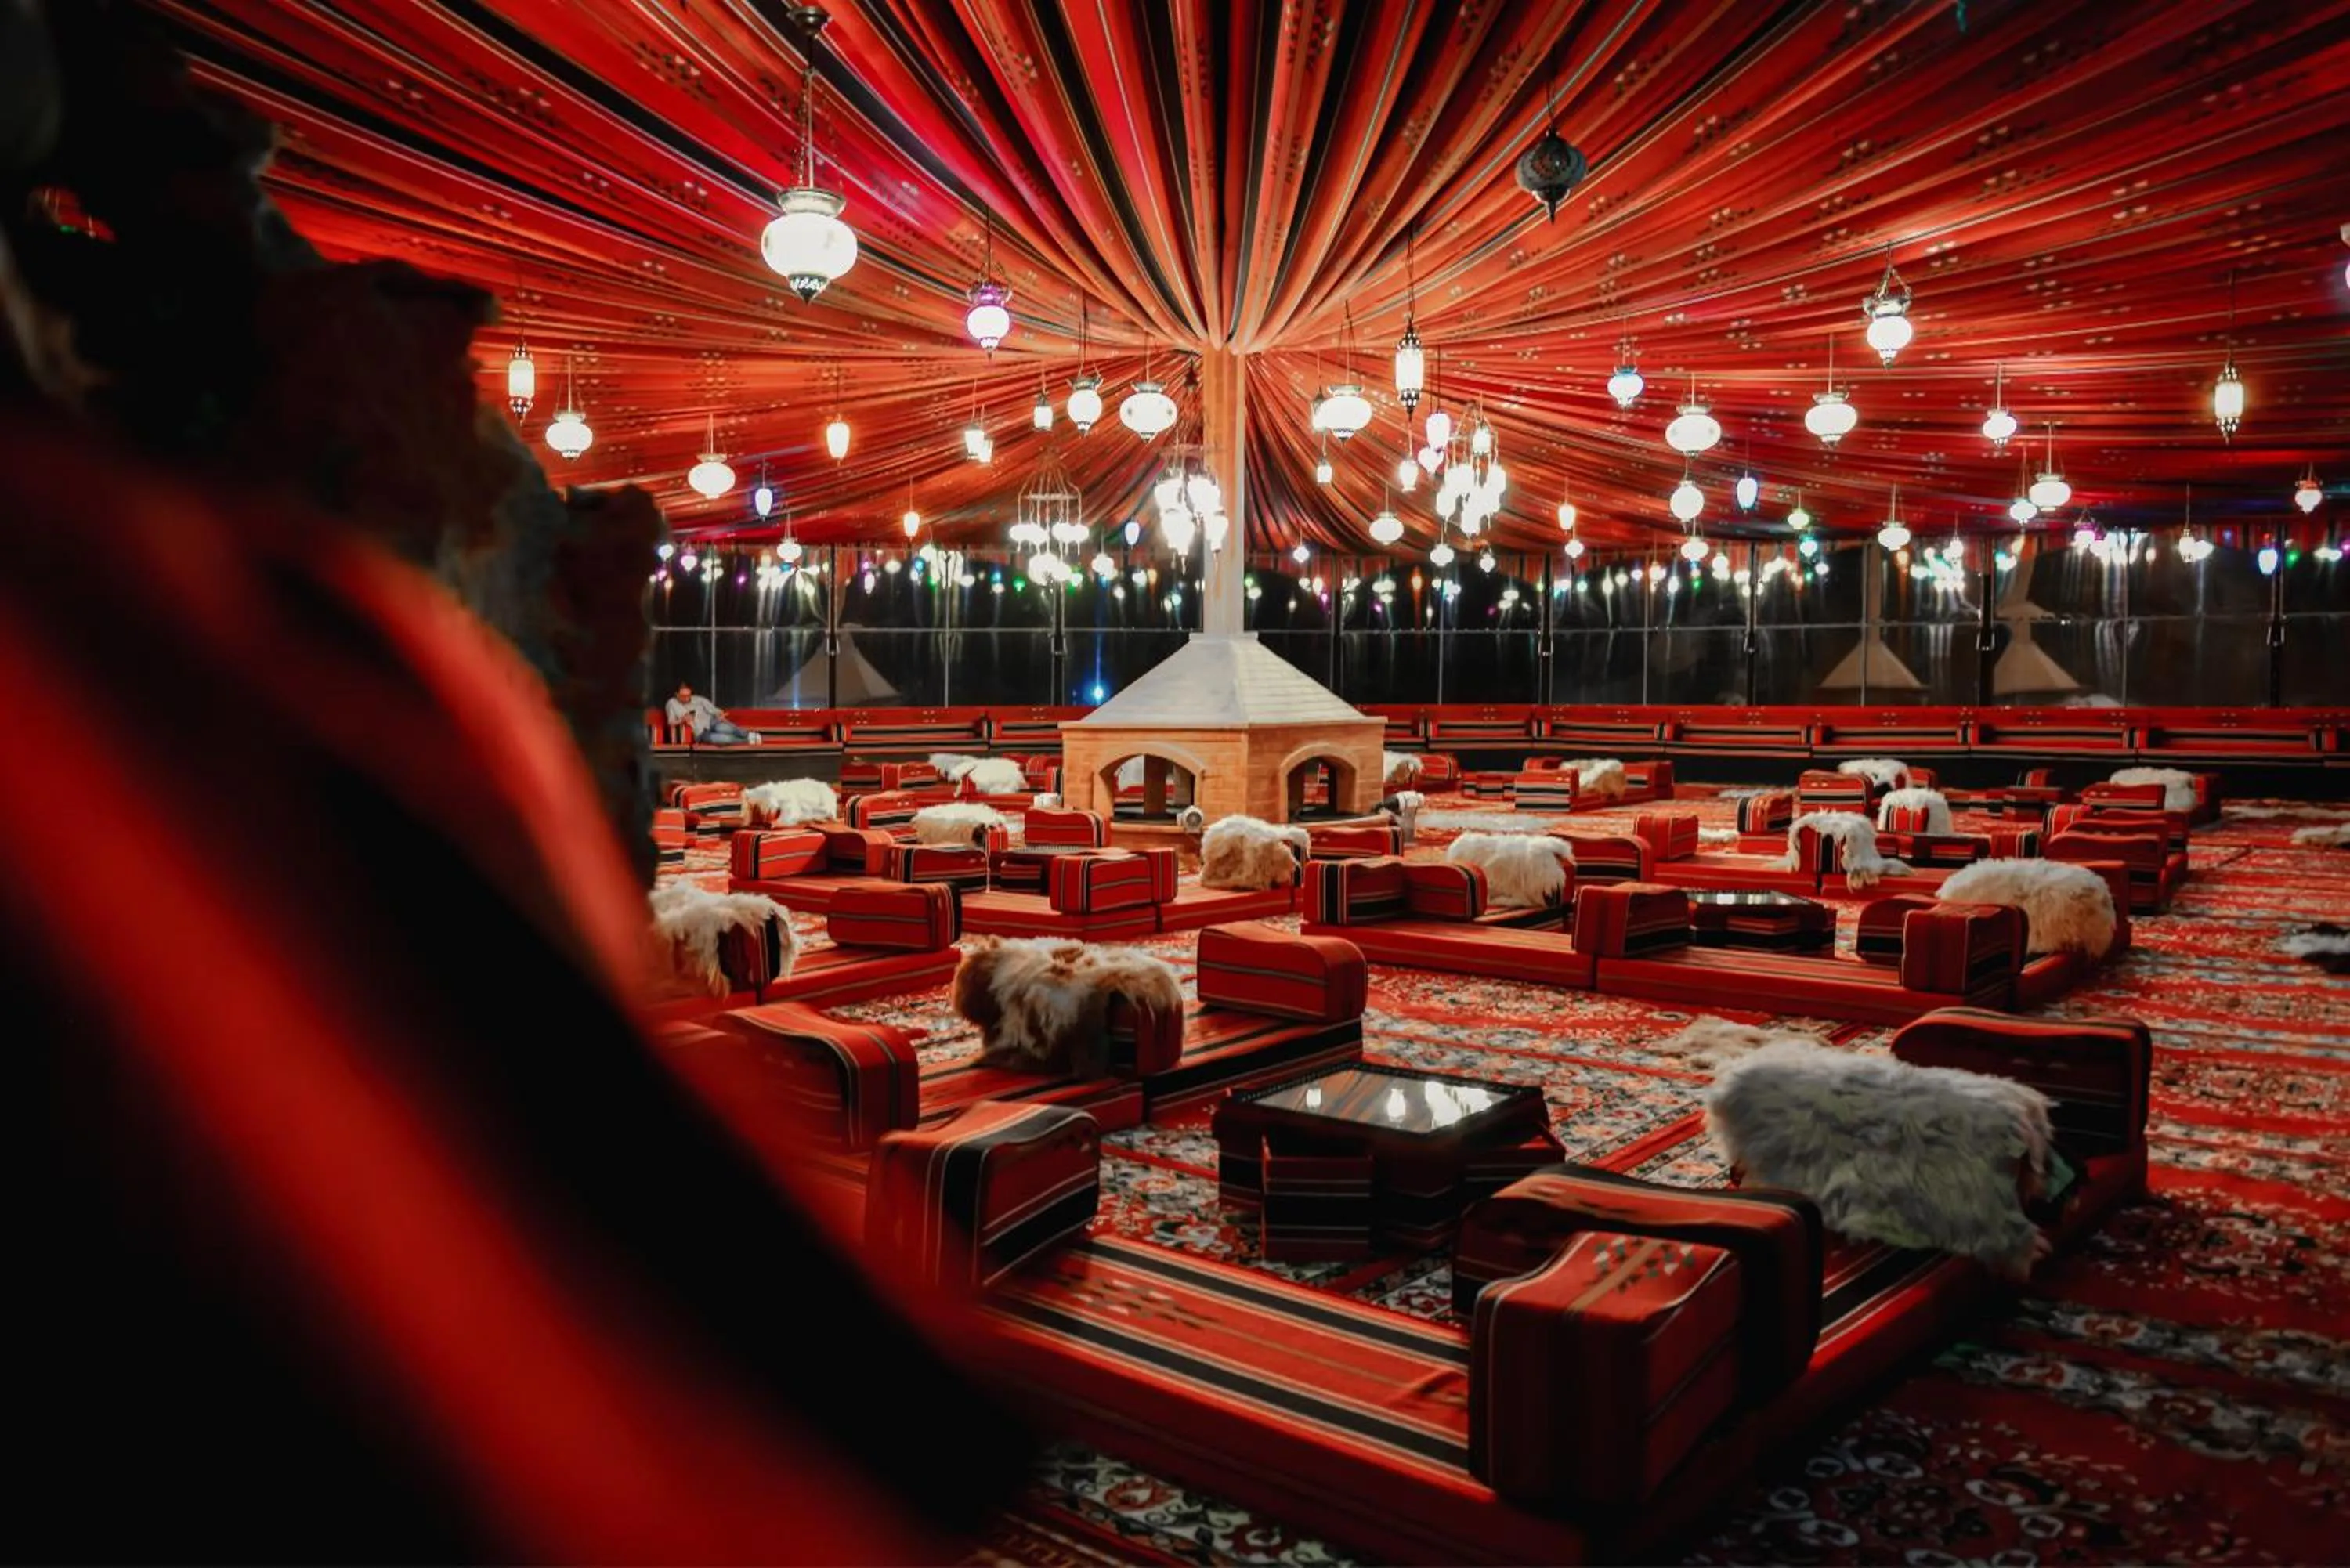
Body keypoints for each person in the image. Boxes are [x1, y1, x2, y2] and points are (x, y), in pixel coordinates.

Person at [664, 681, 761, 746]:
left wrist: (720, 714)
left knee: (724, 728)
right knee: (723, 739)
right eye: (683, 696)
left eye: (688, 696)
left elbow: (714, 710)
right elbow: (671, 722)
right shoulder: (672, 703)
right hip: (700, 733)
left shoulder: (699, 699)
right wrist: (682, 720)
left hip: (710, 722)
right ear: (676, 694)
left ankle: (748, 735)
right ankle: (747, 741)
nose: (686, 699)